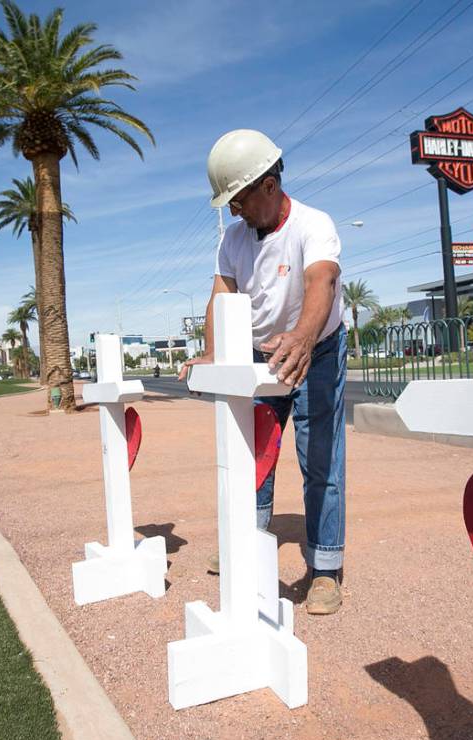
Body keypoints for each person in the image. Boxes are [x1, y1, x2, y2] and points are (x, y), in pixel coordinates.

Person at [178, 129, 346, 615]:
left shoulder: (314, 224)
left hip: (319, 349)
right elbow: (221, 294)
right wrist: (213, 353)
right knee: (254, 452)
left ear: (269, 186)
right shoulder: (232, 239)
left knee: (321, 461)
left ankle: (325, 570)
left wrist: (302, 339)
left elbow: (323, 281)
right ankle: (246, 546)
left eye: (238, 198)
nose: (233, 210)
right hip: (257, 354)